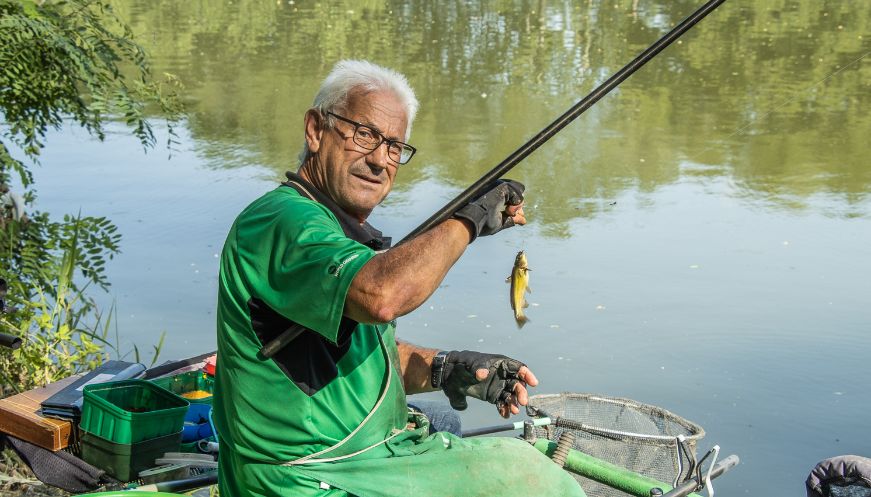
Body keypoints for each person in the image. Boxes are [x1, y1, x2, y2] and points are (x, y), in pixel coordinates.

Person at [213, 60, 585, 497]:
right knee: (530, 476)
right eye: (364, 134)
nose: (379, 160)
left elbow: (352, 360)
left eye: (394, 147)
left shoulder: (334, 232)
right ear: (315, 130)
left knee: (464, 433)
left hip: (362, 458)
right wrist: (469, 216)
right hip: (310, 479)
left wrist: (447, 369)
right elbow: (383, 296)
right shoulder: (283, 221)